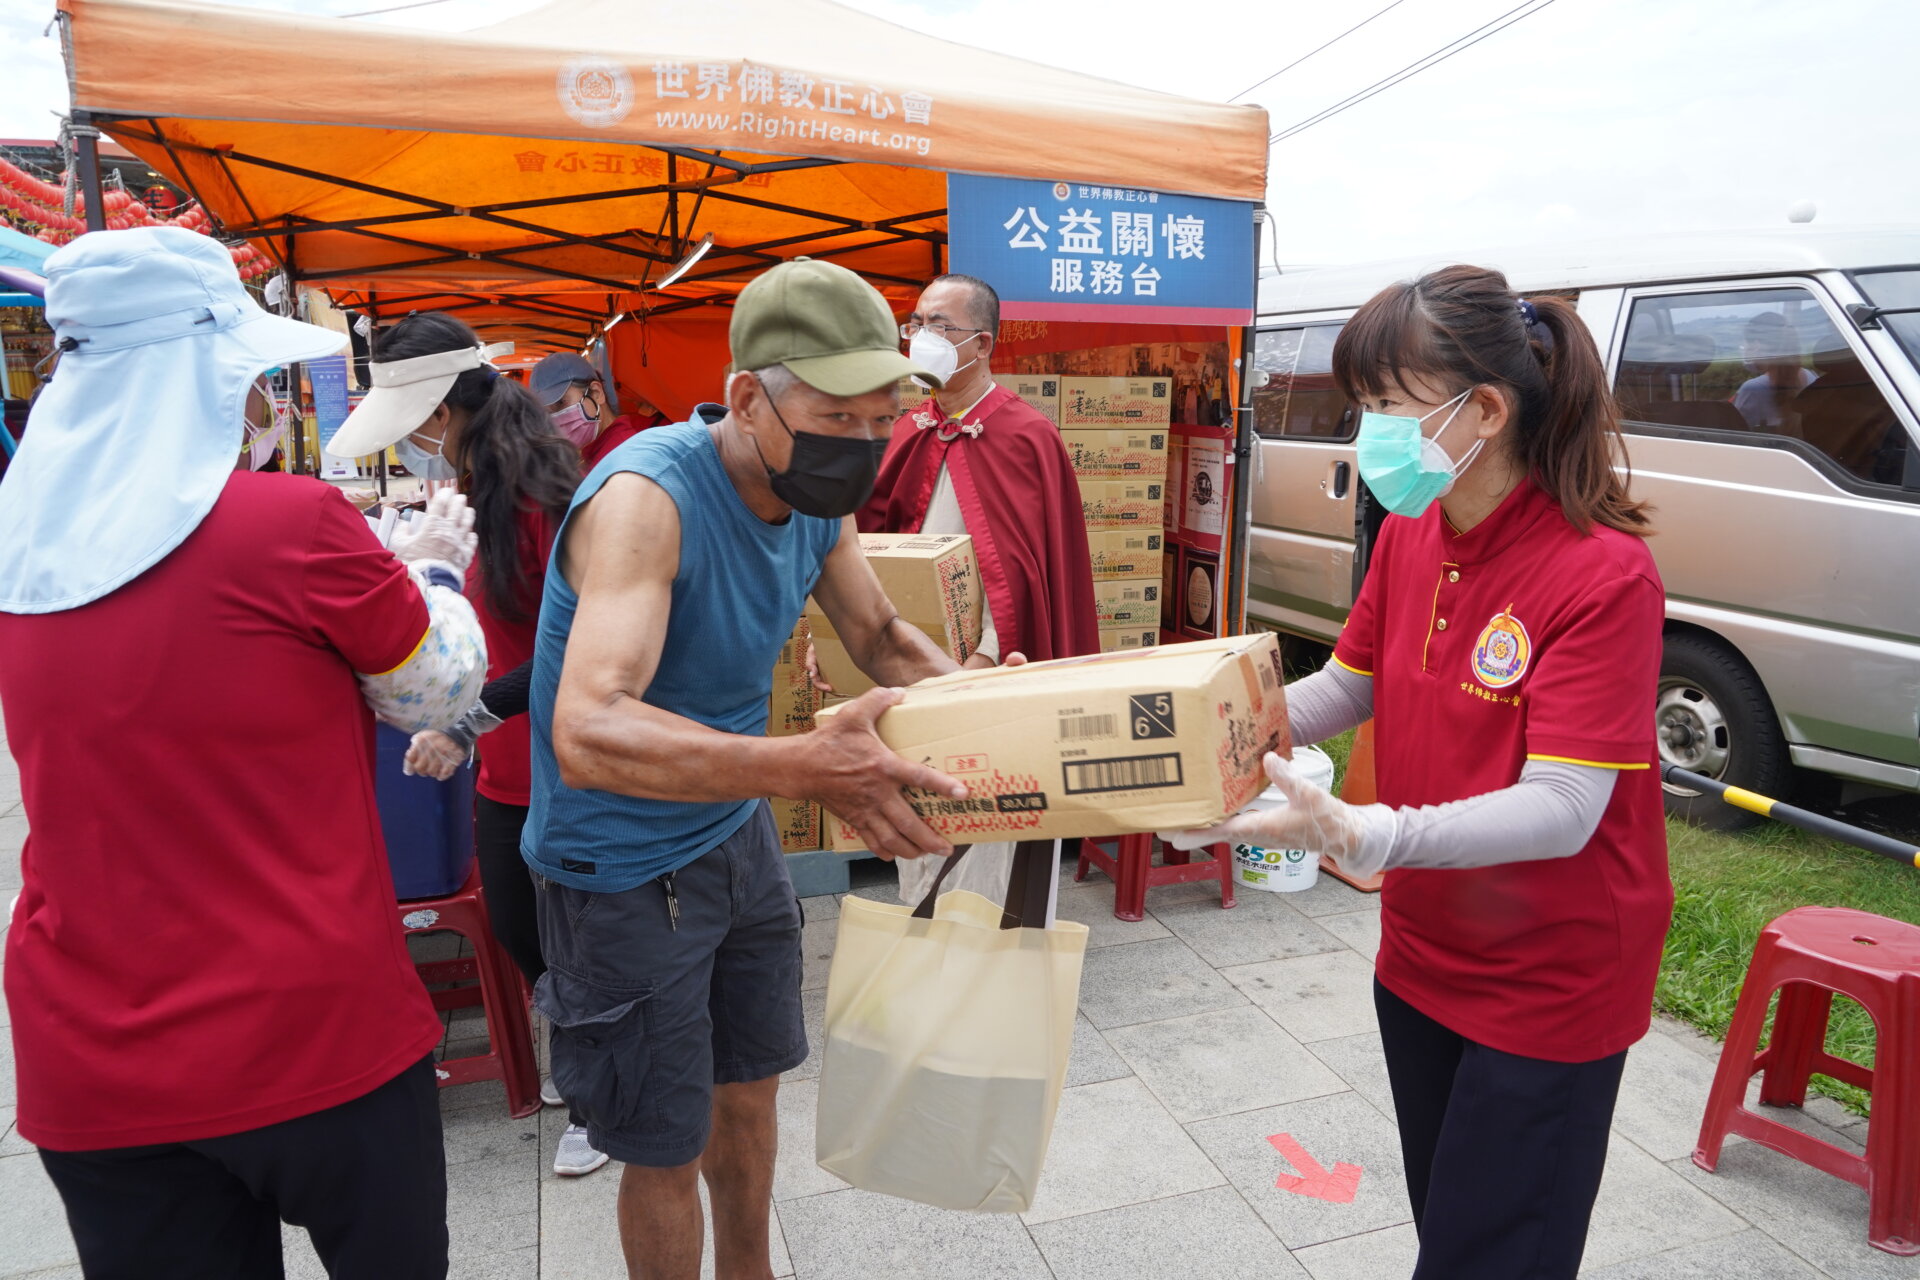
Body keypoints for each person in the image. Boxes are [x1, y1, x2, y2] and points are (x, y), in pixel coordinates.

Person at [0, 227, 488, 1278]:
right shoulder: (292, 525)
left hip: (93, 1052)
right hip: (313, 1025)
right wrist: (433, 574)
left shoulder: (16, 541)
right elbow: (436, 690)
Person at [1179, 266, 1672, 1280]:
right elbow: (1348, 686)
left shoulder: (1601, 571)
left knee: (1493, 1255)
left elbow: (1568, 806)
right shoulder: (1413, 528)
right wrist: (1204, 747)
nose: (1367, 436)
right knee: (1448, 1223)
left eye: (1384, 408)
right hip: (1426, 945)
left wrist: (1366, 832)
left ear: (1483, 409)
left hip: (1551, 972)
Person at [525, 258, 973, 1280]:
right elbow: (587, 728)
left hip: (732, 829)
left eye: (880, 421)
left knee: (752, 1086)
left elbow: (882, 629)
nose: (863, 445)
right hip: (622, 867)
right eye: (839, 416)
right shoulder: (650, 497)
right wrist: (806, 765)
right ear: (746, 396)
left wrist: (988, 711)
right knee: (662, 1135)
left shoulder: (813, 492)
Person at [324, 311, 612, 1176]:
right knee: (525, 933)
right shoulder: (481, 485)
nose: (412, 440)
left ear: (440, 414)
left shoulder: (544, 498)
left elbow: (573, 649)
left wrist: (465, 723)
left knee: (575, 945)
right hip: (507, 771)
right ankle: (592, 1053)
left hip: (571, 765)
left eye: (414, 422)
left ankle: (602, 1097)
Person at [856, 273, 1099, 907]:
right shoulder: (906, 430)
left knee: (991, 823)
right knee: (921, 829)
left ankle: (991, 963)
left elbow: (1030, 573)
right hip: (907, 671)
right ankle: (928, 955)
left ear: (982, 341)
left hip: (993, 671)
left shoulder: (1028, 436)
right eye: (915, 323)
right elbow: (869, 549)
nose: (920, 337)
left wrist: (984, 657)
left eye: (939, 326)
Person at [529, 351, 661, 470]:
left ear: (597, 393)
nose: (557, 419)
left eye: (561, 403)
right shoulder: (594, 453)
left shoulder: (624, 456)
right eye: (548, 412)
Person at [1732, 310, 1814, 430]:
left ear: (1757, 345)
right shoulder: (1810, 377)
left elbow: (1734, 435)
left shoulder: (1753, 389)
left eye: (1745, 342)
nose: (1744, 348)